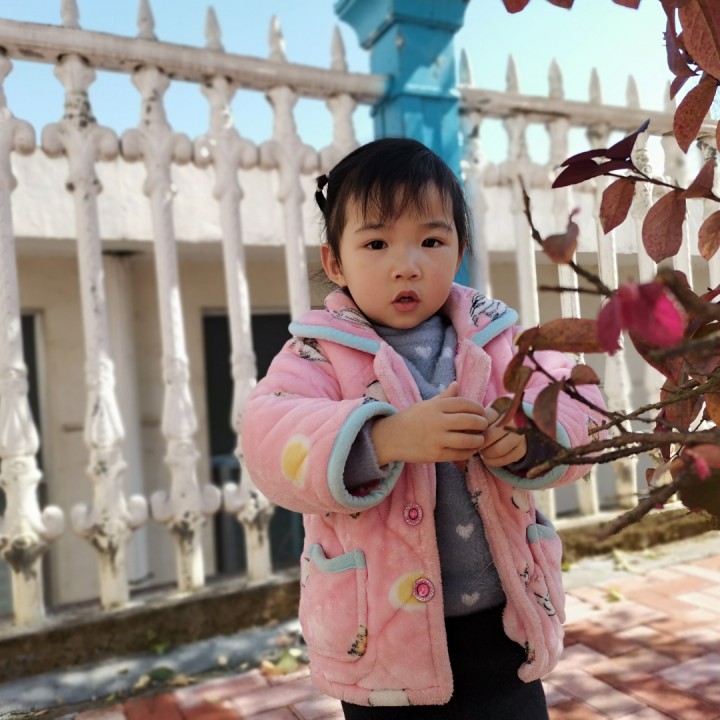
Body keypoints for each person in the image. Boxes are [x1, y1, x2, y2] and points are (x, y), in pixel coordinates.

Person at [241, 138, 605, 718]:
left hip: (506, 625)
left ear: (458, 252)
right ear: (335, 263)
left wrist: (531, 437)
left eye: (431, 241)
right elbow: (268, 435)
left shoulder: (497, 338)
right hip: (381, 643)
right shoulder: (317, 353)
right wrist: (381, 439)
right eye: (376, 243)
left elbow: (578, 399)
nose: (406, 264)